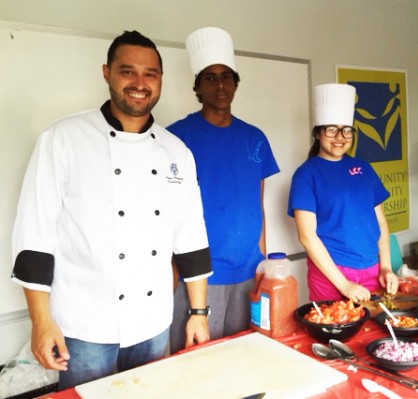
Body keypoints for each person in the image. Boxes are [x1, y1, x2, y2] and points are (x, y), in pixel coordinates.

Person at [10, 30, 212, 390]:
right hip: (84, 326)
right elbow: (34, 235)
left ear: (160, 79)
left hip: (153, 323)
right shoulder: (63, 139)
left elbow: (191, 236)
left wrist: (198, 313)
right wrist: (40, 322)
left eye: (150, 73)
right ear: (107, 73)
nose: (139, 83)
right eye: (127, 71)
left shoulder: (176, 151)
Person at [168, 27, 279, 348]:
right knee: (196, 363)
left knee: (245, 354)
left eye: (227, 77)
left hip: (247, 270)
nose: (220, 85)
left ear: (235, 83)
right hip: (199, 276)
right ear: (198, 87)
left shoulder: (255, 138)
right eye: (210, 78)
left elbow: (257, 205)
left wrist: (263, 262)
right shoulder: (176, 138)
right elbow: (168, 214)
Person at [288, 83, 398, 303]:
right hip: (331, 274)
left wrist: (386, 267)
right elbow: (307, 237)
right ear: (318, 133)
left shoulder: (364, 168)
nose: (340, 136)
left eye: (346, 130)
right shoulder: (306, 174)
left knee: (372, 330)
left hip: (371, 269)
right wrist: (344, 284)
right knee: (334, 330)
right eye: (331, 129)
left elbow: (382, 223)